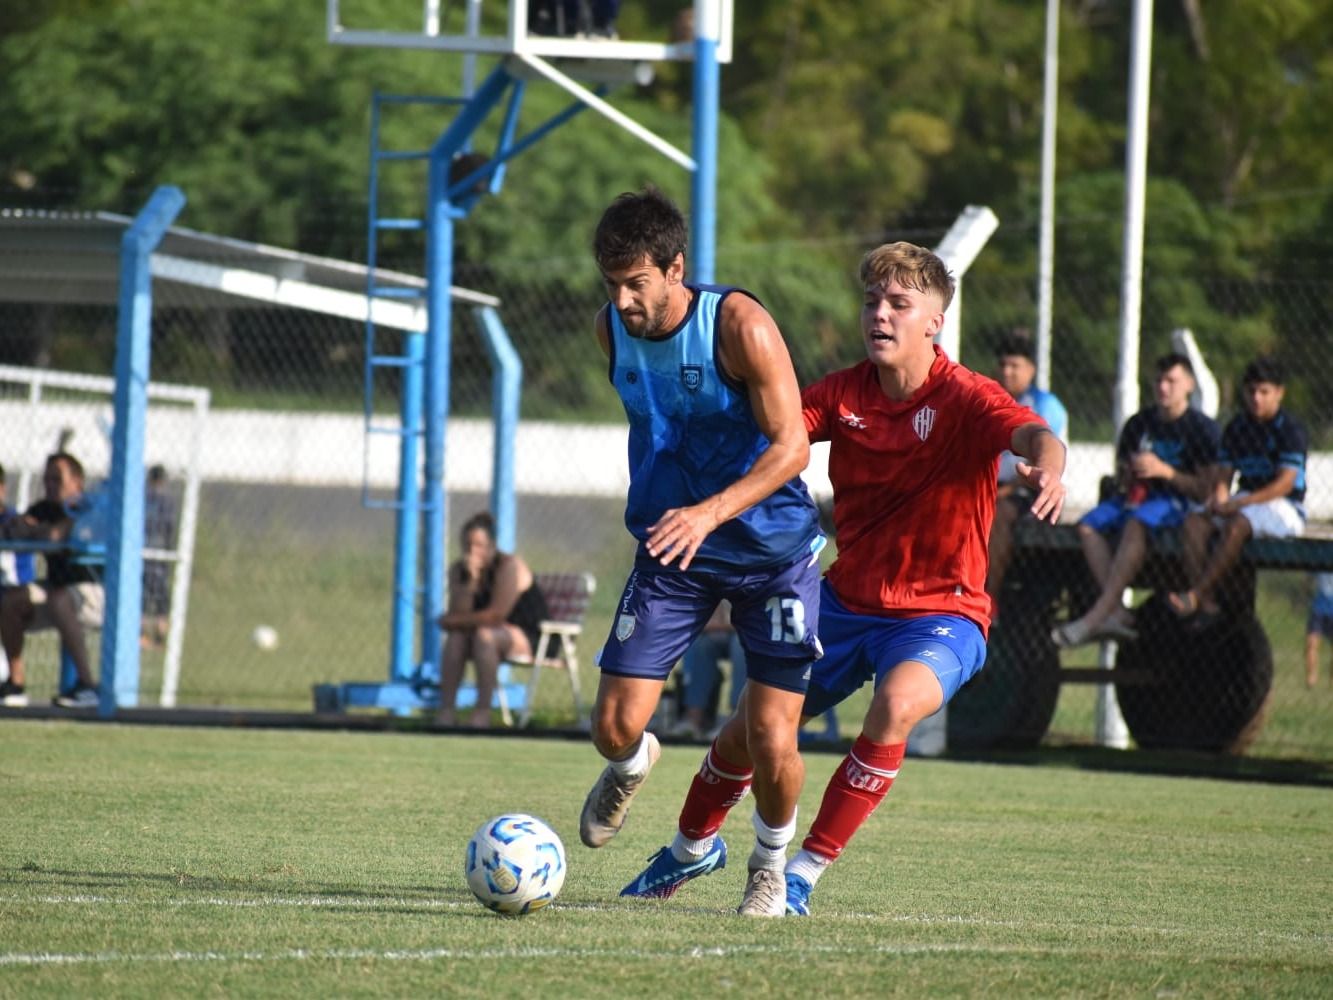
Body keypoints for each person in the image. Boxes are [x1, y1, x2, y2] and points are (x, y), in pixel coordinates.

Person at [639, 241, 1066, 916]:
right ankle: (690, 847)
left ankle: (800, 874)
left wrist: (1049, 466)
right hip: (843, 600)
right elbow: (776, 437)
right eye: (872, 300)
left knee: (895, 705)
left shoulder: (965, 398)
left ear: (934, 322)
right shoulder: (841, 394)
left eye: (900, 303)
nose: (881, 313)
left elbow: (1036, 437)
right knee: (748, 731)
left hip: (942, 615)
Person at [580, 187, 825, 918]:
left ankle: (768, 866)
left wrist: (709, 512)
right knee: (613, 727)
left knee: (769, 735)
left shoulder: (739, 326)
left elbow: (792, 448)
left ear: (675, 266)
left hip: (771, 551)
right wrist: (681, 515)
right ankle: (631, 767)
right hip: (671, 548)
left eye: (636, 283)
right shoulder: (610, 331)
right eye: (611, 284)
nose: (622, 300)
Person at [1051, 353, 1219, 648]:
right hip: (1137, 498)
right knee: (1087, 526)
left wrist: (1165, 471)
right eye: (1159, 380)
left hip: (1175, 501)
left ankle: (1096, 616)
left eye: (1172, 381)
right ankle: (1115, 610)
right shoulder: (1139, 424)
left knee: (1137, 522)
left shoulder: (1201, 428)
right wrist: (1130, 476)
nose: (1163, 387)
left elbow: (1204, 489)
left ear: (1189, 385)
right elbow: (1121, 473)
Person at [1167, 358, 1307, 630]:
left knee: (1237, 525)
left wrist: (1240, 503)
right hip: (1245, 501)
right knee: (1196, 522)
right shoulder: (1237, 427)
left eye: (1264, 392)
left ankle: (1195, 593)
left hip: (1283, 507)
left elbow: (1285, 484)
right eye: (1251, 391)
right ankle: (1206, 603)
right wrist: (1219, 499)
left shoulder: (1290, 430)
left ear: (1279, 392)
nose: (1256, 398)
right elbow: (1224, 477)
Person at [0, 452, 104, 708]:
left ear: (77, 482)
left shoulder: (88, 508)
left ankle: (88, 685)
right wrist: (46, 532)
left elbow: (55, 535)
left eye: (57, 479)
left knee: (60, 599)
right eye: (46, 479)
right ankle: (15, 683)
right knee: (11, 599)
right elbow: (17, 530)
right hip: (59, 593)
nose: (49, 485)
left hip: (98, 595)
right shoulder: (43, 509)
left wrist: (45, 531)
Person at [435, 511, 548, 729]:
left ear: (492, 546)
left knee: (483, 636)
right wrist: (470, 582)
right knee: (457, 638)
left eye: (478, 545)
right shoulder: (460, 570)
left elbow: (496, 615)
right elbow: (459, 615)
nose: (471, 551)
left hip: (530, 637)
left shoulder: (510, 567)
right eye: (467, 545)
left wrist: (454, 621)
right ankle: (446, 712)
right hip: (485, 634)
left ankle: (482, 713)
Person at [985, 330, 1069, 607]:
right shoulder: (987, 400)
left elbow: (1042, 460)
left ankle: (989, 598)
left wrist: (1004, 491)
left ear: (1031, 369)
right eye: (1003, 365)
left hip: (1027, 490)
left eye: (1015, 366)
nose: (1007, 372)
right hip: (990, 486)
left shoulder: (1045, 405)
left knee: (1000, 512)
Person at [669, 601, 747, 740]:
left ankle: (736, 720)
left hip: (753, 635)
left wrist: (717, 625)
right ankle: (693, 719)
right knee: (702, 644)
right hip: (727, 630)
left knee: (740, 645)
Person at [141, 464, 179, 649]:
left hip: (144, 553)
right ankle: (160, 638)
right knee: (160, 599)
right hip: (161, 554)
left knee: (143, 598)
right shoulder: (167, 501)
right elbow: (170, 528)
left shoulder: (143, 499)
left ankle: (144, 636)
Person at [1305, 572, 1333, 690]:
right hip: (1319, 610)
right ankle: (1312, 677)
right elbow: (1308, 580)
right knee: (1311, 643)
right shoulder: (1321, 563)